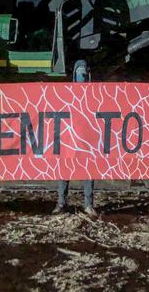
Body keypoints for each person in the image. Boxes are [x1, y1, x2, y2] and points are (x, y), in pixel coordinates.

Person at [52, 60, 97, 217]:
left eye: (84, 72)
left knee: (89, 172)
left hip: (87, 139)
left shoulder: (94, 94)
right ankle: (61, 203)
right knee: (64, 171)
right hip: (69, 138)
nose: (81, 76)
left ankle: (88, 205)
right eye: (79, 72)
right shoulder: (67, 93)